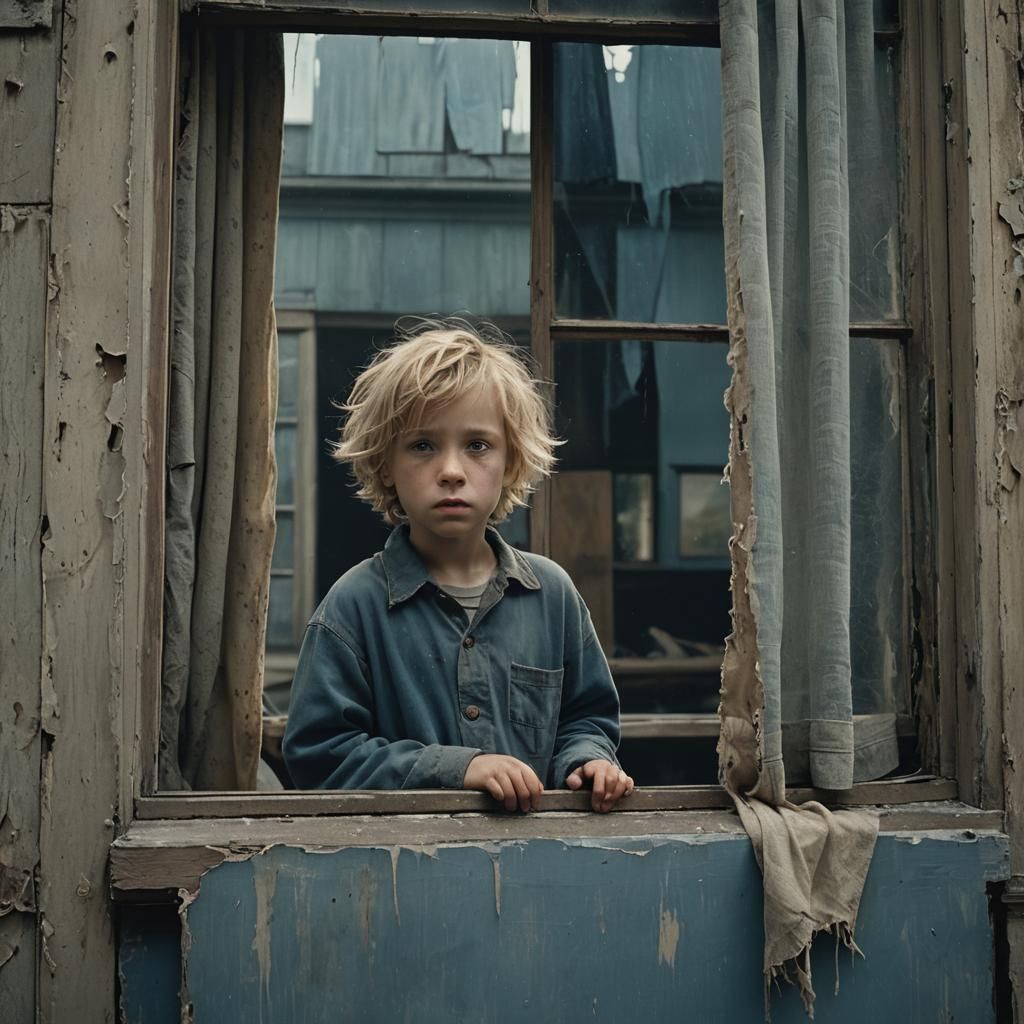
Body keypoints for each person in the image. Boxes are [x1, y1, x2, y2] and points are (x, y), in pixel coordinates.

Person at [282, 320, 634, 812]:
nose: (451, 471)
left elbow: (586, 718)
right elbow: (320, 757)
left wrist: (588, 761)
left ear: (511, 462)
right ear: (386, 464)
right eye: (423, 445)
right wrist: (456, 768)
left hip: (538, 853)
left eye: (477, 445)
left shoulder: (552, 594)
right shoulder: (353, 606)